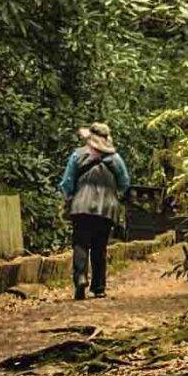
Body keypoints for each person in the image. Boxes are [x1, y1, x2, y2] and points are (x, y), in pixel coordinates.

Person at [57, 125, 131, 299]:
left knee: (80, 243)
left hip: (81, 206)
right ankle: (99, 287)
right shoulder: (116, 159)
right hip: (106, 209)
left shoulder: (78, 155)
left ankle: (80, 277)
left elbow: (67, 182)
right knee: (100, 247)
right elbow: (124, 183)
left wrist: (69, 197)